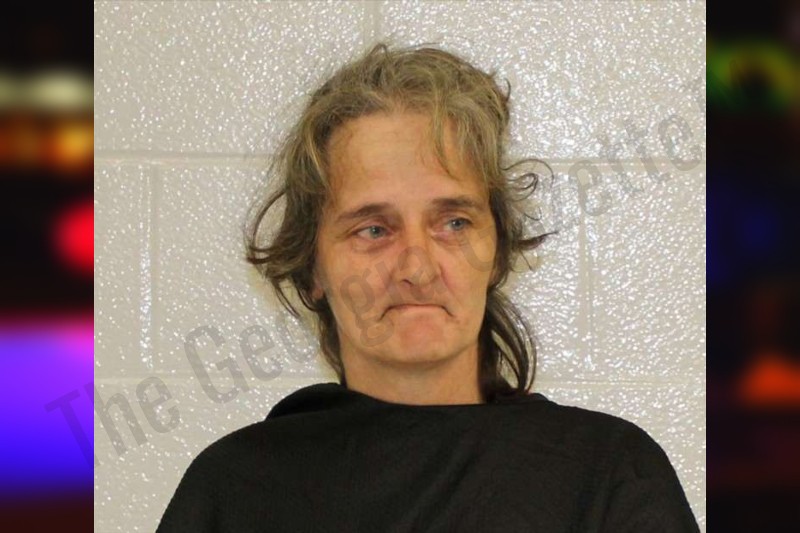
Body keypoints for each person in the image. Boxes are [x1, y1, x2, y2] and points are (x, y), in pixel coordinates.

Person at [156, 42, 700, 532]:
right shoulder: (235, 491)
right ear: (313, 267)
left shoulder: (606, 476)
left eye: (454, 223)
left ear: (496, 251)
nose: (417, 268)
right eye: (373, 230)